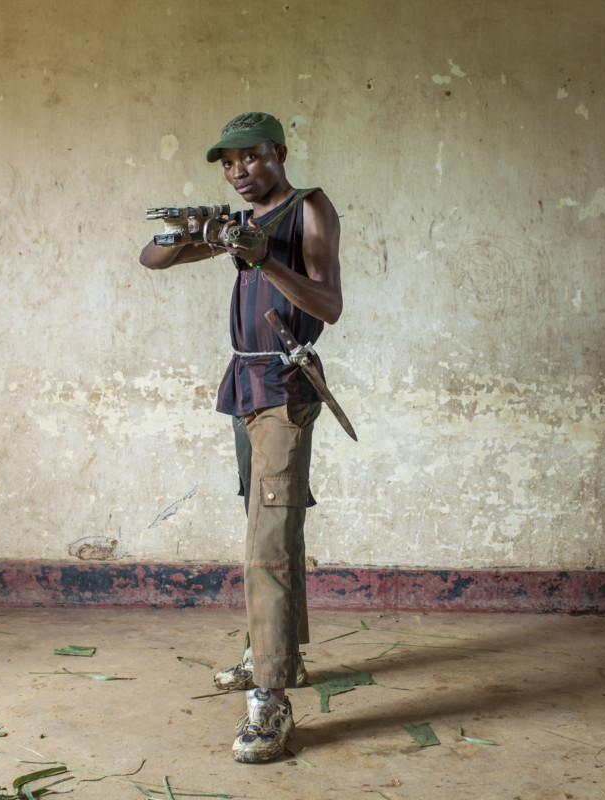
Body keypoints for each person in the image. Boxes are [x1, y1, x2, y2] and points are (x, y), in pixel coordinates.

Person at [139, 111, 343, 763]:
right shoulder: (240, 224)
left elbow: (329, 305)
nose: (238, 172)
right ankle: (276, 653)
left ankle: (271, 698)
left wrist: (264, 260)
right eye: (228, 164)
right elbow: (152, 259)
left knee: (268, 541)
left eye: (249, 158)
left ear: (277, 152)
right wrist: (195, 231)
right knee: (267, 524)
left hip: (285, 386)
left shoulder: (308, 209)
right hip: (245, 385)